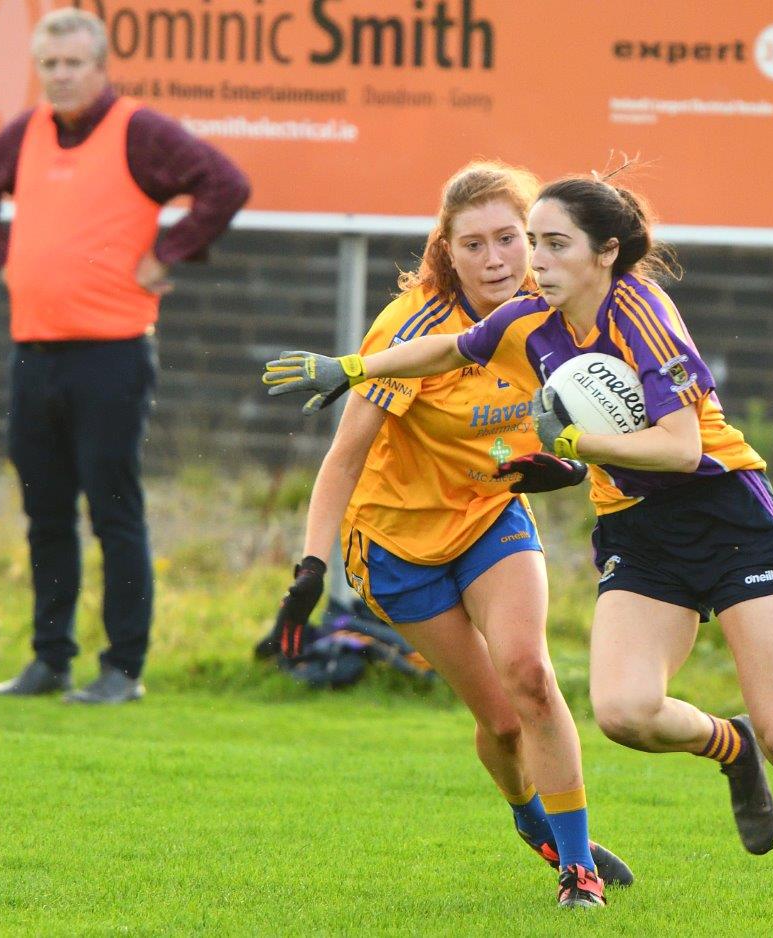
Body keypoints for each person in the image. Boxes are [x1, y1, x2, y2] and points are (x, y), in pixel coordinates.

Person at [265, 173, 773, 931]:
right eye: (526, 242)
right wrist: (354, 368)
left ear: (605, 253)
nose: (528, 259)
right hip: (635, 529)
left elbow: (680, 445)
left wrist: (573, 446)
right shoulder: (533, 317)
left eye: (545, 242)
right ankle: (728, 743)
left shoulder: (647, 315)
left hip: (726, 514)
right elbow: (450, 350)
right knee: (624, 713)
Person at [263, 162, 631, 909]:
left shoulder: (551, 311)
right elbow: (344, 459)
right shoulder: (412, 327)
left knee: (529, 673)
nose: (495, 259)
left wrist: (558, 463)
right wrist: (310, 568)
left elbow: (551, 425)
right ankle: (533, 819)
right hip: (398, 546)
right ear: (446, 249)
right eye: (473, 245)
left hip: (490, 517)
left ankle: (576, 868)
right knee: (499, 724)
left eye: (509, 239)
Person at [0, 8, 249, 703]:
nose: (59, 75)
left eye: (72, 64)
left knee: (114, 511)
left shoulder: (137, 131)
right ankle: (49, 658)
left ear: (100, 67)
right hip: (34, 352)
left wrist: (167, 254)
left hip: (112, 355)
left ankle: (123, 667)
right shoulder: (25, 133)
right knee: (45, 512)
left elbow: (224, 184)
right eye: (48, 65)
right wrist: (2, 259)